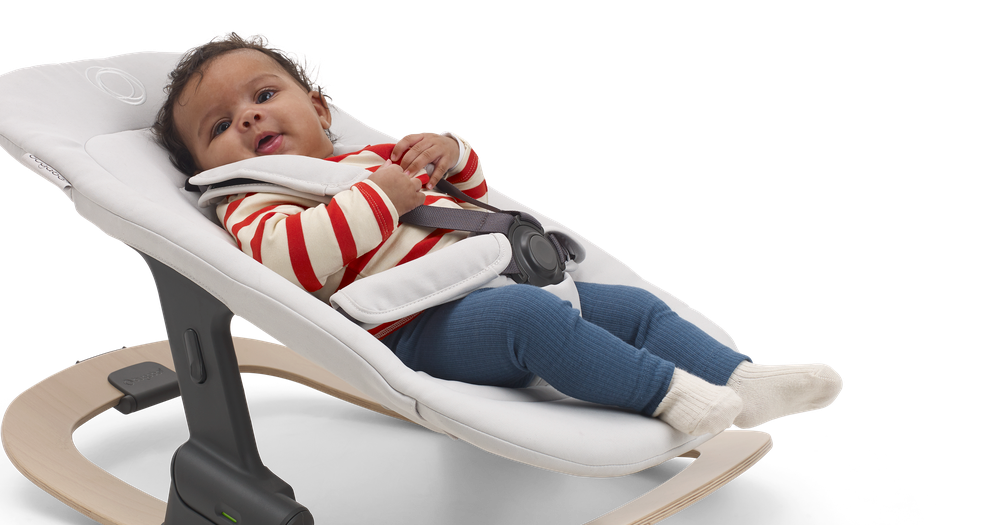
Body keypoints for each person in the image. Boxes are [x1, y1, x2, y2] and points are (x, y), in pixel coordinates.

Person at [152, 32, 842, 436]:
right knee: (530, 320)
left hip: (493, 276)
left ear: (319, 109)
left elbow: (476, 206)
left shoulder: (371, 157)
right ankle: (675, 398)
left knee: (633, 307)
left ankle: (741, 380)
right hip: (414, 324)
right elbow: (289, 263)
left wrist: (452, 155)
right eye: (220, 126)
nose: (248, 118)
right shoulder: (254, 197)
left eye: (263, 95)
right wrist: (380, 200)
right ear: (207, 168)